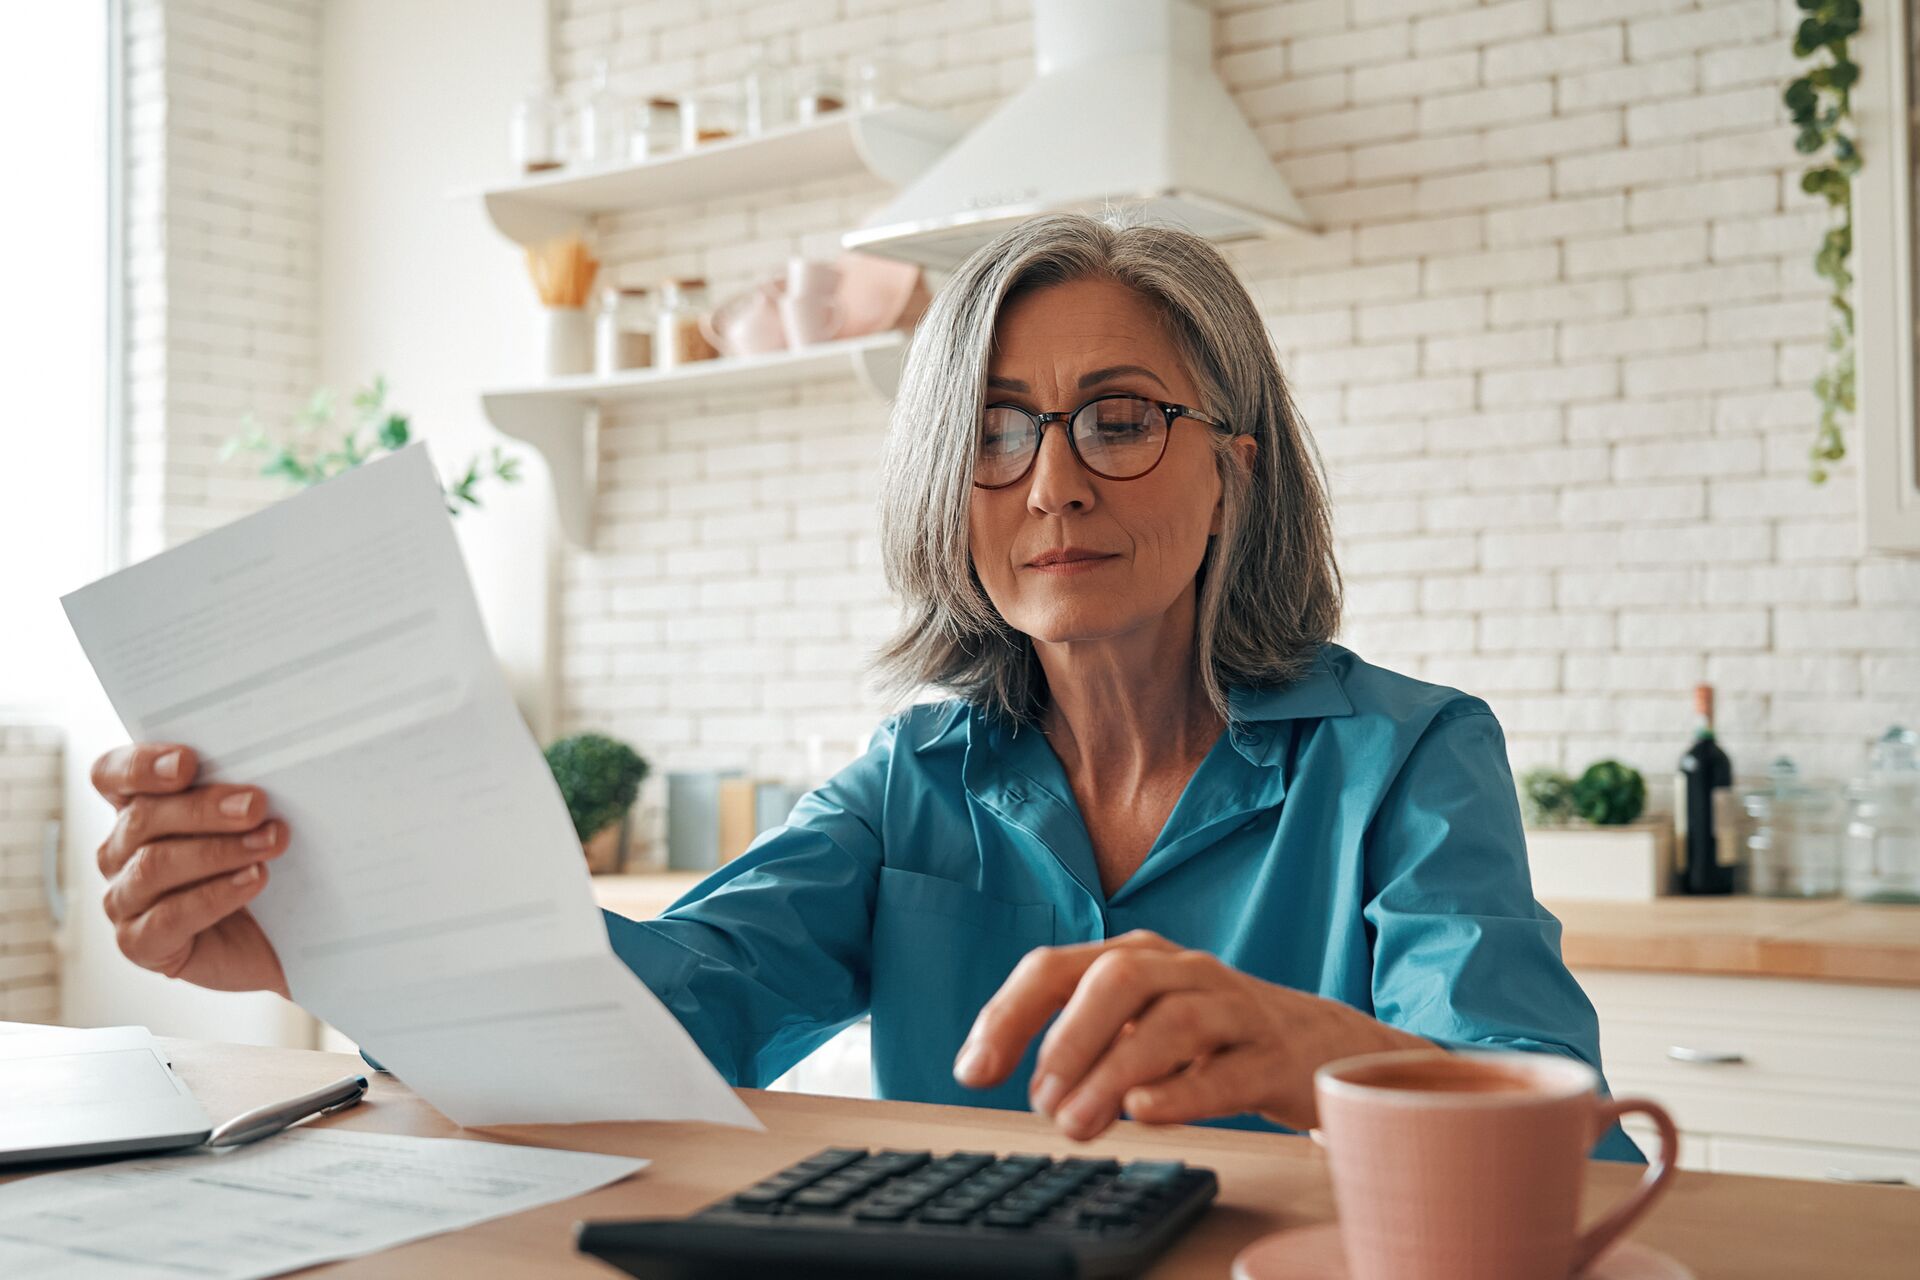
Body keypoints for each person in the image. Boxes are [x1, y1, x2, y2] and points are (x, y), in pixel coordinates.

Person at [91, 212, 1640, 1159]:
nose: (1049, 485)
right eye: (993, 429)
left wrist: (1314, 1056)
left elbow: (1571, 1149)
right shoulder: (914, 780)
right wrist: (323, 935)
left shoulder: (1410, 760)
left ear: (1232, 472)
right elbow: (662, 1018)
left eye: (1116, 419)